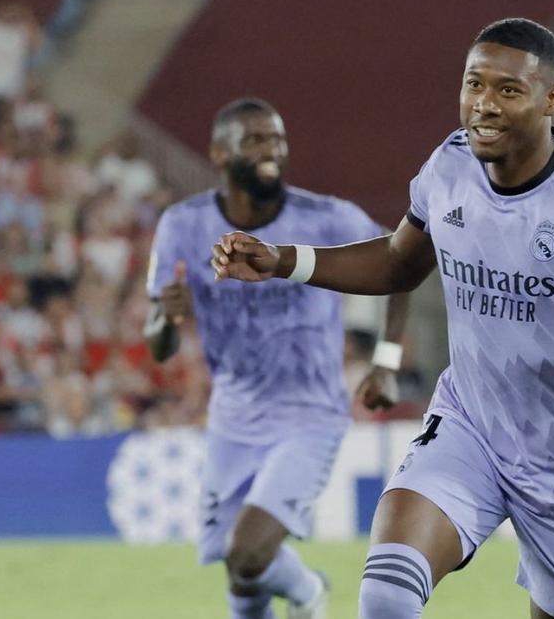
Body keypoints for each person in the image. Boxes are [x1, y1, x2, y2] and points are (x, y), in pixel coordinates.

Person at [211, 18, 554, 619]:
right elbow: (397, 263)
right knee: (385, 595)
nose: (483, 104)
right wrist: (281, 259)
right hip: (470, 427)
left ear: (551, 100)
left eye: (509, 90)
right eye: (474, 84)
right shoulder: (450, 163)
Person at [146, 98, 410, 619]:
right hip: (232, 417)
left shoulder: (325, 217)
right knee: (241, 577)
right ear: (220, 154)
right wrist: (164, 319)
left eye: (277, 139)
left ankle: (309, 590)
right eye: (256, 140)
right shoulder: (182, 226)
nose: (272, 151)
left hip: (308, 415)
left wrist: (386, 360)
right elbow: (160, 345)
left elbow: (401, 260)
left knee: (248, 550)